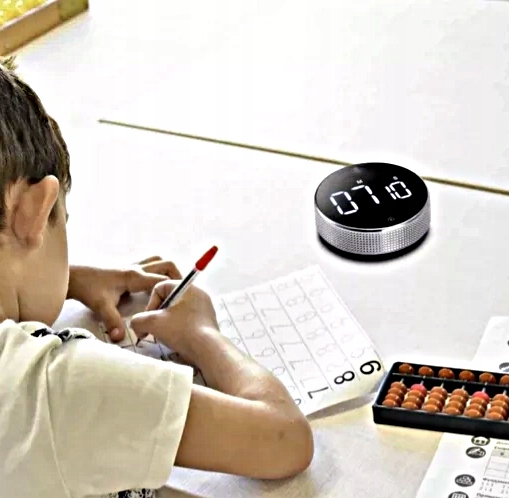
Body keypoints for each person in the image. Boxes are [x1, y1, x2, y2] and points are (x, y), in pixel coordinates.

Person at [0, 56, 314, 498]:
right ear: (35, 211)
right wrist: (201, 334)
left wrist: (68, 278)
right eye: (61, 222)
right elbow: (283, 440)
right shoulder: (56, 388)